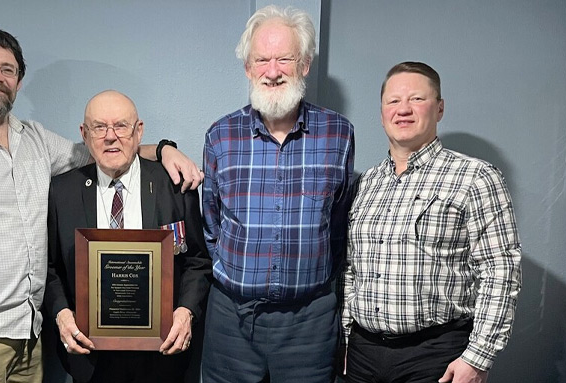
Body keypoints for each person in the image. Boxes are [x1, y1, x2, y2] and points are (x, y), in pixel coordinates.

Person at [0, 27, 202, 383]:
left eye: (7, 69)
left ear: (19, 81)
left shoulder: (36, 141)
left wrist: (165, 149)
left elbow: (108, 152)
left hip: (29, 333)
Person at [201, 5, 355, 383]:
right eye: (262, 60)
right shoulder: (220, 135)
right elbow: (211, 222)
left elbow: (338, 222)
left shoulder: (339, 133)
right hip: (231, 319)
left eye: (284, 58)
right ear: (248, 68)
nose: (272, 71)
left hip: (310, 321)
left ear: (304, 64)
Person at [343, 61, 522, 383]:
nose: (404, 110)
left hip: (436, 355)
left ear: (439, 109)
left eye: (417, 99)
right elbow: (352, 270)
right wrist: (345, 338)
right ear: (382, 112)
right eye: (393, 101)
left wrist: (478, 357)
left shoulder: (476, 177)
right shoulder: (365, 183)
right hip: (362, 354)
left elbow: (501, 270)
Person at [44, 90, 212, 383]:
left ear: (139, 131)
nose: (111, 136)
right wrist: (62, 315)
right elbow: (49, 269)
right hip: (90, 357)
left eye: (121, 126)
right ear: (84, 134)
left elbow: (198, 261)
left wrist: (185, 313)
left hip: (162, 354)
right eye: (99, 127)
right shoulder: (61, 192)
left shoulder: (173, 184)